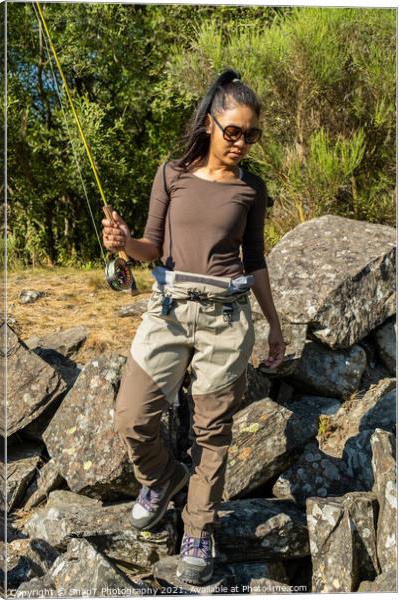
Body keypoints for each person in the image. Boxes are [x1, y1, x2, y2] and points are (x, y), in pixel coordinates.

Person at [102, 68, 286, 586]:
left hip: (227, 320)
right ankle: (162, 479)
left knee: (212, 432)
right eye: (234, 131)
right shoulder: (172, 173)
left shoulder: (252, 189)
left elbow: (256, 261)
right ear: (210, 124)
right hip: (168, 309)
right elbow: (150, 247)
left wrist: (273, 325)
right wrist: (122, 244)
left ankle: (199, 530)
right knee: (132, 417)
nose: (242, 143)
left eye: (252, 134)